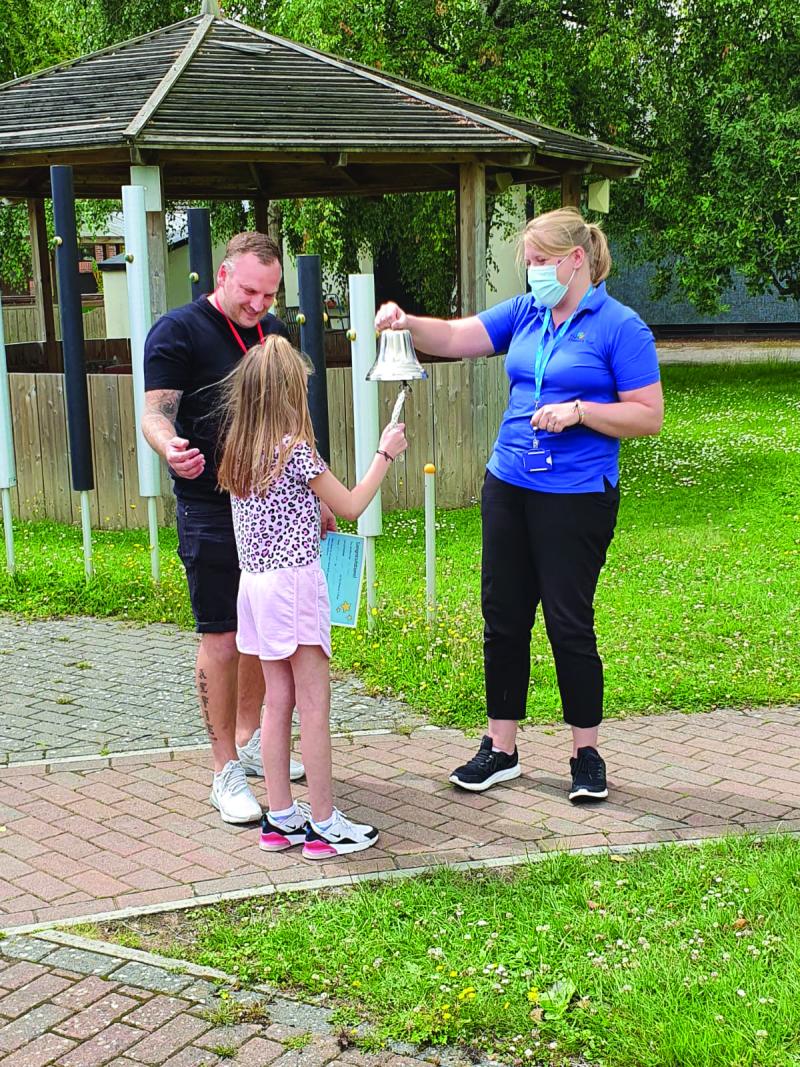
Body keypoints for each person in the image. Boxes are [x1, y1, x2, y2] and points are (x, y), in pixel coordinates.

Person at [375, 207, 663, 803]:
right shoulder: (528, 312)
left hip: (576, 496)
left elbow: (648, 415)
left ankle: (586, 752)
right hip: (508, 485)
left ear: (575, 259)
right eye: (527, 262)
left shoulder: (619, 326)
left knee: (567, 623)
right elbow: (457, 337)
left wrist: (580, 412)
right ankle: (500, 748)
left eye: (538, 261)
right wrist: (404, 323)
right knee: (503, 618)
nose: (530, 272)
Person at [142, 232, 334, 825]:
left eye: (270, 294)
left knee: (267, 633)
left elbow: (291, 418)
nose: (258, 304)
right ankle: (223, 767)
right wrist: (169, 447)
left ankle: (253, 742)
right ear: (222, 275)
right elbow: (154, 412)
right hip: (209, 504)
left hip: (277, 507)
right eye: (250, 290)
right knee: (223, 637)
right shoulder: (178, 331)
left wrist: (316, 493)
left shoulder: (272, 332)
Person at [216, 335, 407, 857]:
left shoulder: (239, 451)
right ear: (284, 393)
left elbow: (281, 511)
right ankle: (324, 823)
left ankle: (280, 819)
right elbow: (351, 505)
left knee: (278, 703)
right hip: (294, 586)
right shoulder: (295, 452)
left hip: (253, 586)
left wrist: (309, 514)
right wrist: (383, 455)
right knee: (315, 705)